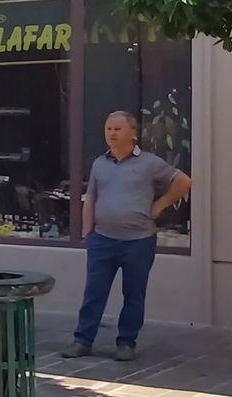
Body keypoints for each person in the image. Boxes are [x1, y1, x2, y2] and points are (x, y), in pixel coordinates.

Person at [63, 111, 192, 362]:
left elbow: (184, 182)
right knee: (94, 292)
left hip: (139, 242)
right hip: (102, 239)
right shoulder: (99, 163)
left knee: (133, 294)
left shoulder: (149, 163)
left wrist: (160, 204)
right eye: (108, 128)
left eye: (117, 129)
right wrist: (87, 233)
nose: (112, 133)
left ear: (133, 133)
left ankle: (126, 342)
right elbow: (91, 198)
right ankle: (83, 341)